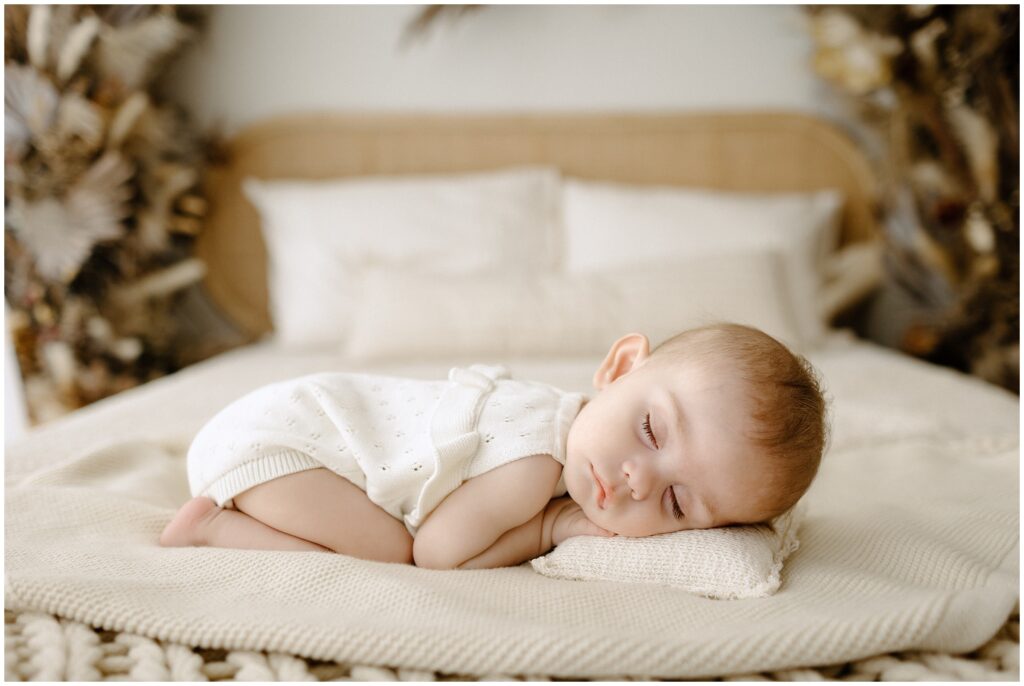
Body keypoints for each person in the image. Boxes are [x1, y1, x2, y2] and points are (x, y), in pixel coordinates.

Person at [160, 323, 828, 569]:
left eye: (679, 502)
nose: (636, 482)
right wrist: (552, 527)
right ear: (620, 369)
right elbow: (438, 553)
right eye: (652, 431)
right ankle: (213, 530)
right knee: (389, 552)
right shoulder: (534, 463)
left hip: (271, 425)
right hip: (273, 445)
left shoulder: (562, 424)